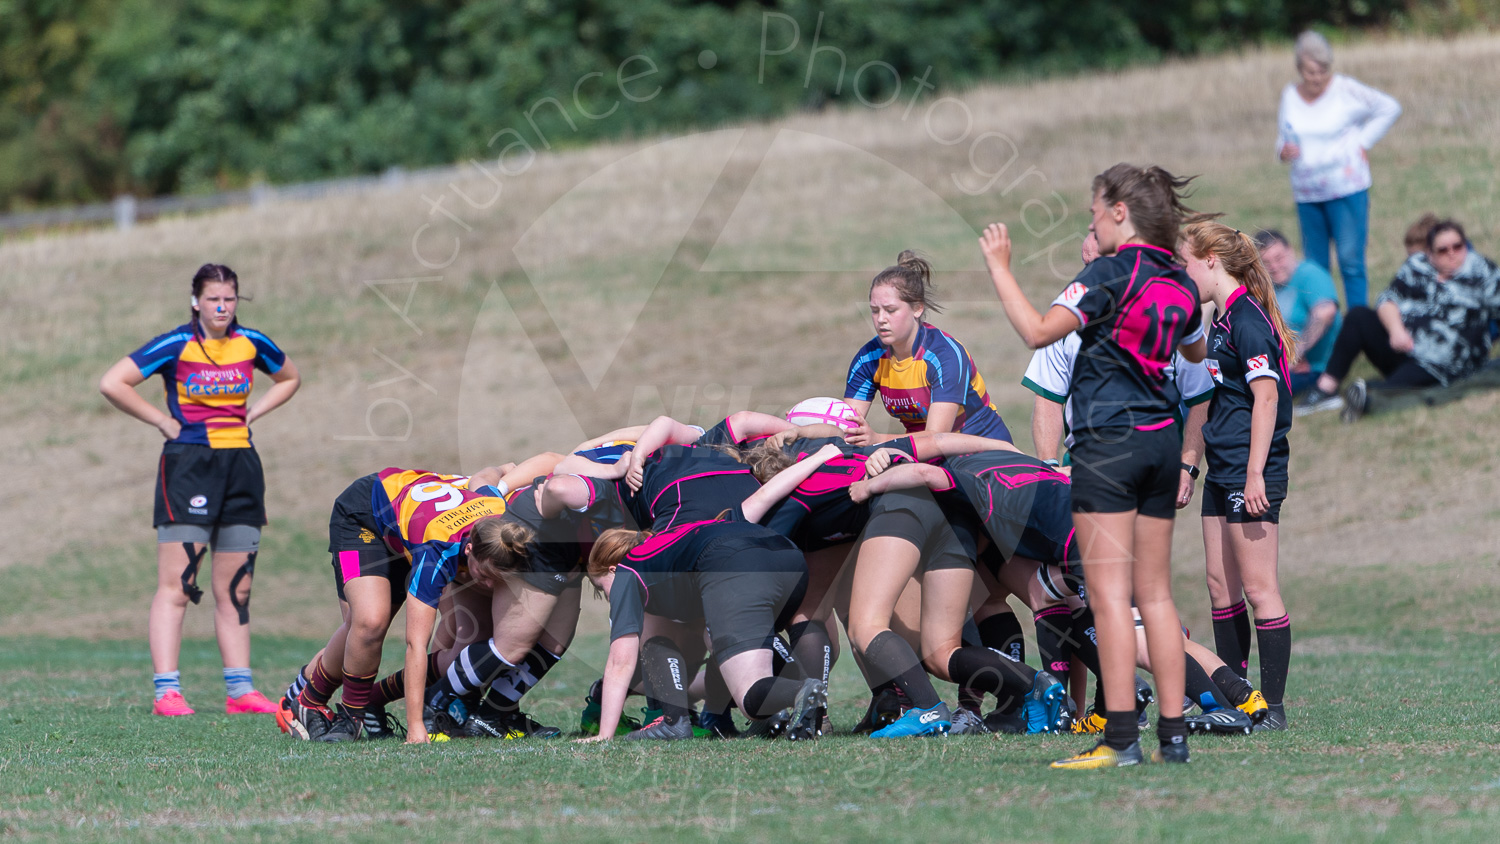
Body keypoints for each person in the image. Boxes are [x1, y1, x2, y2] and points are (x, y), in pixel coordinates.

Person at [981, 163, 1207, 768]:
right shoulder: (1180, 282)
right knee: (1154, 596)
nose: (1092, 222)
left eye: (1093, 212)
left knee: (1107, 599)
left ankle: (1122, 740)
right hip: (1161, 445)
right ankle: (1173, 740)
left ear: (1119, 212)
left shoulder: (1106, 273)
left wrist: (1000, 268)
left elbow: (1038, 332)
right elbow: (1194, 349)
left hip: (1108, 447)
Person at [99, 263, 300, 717]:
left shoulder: (253, 343)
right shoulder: (176, 344)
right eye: (213, 299)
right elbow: (112, 382)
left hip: (242, 466)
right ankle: (167, 693)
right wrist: (161, 420)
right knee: (178, 584)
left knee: (237, 589)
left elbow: (290, 377)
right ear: (196, 302)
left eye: (229, 298)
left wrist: (254, 413)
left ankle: (240, 692)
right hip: (189, 466)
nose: (222, 307)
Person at [1181, 220, 1297, 731]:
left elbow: (1266, 399)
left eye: (1185, 263)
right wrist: (1190, 464)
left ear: (1210, 260)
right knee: (1219, 587)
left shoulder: (1247, 318)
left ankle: (1273, 709)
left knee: (1258, 587)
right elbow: (1213, 400)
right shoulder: (1220, 318)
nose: (1181, 273)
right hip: (1222, 467)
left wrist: (1254, 475)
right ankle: (1239, 699)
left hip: (1251, 470)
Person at [1308, 220, 1500, 420]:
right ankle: (1325, 389)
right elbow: (1387, 300)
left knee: (1395, 387)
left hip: (1442, 363)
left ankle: (1369, 394)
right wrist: (1396, 330)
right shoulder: (1417, 266)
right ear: (1430, 253)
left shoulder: (1483, 273)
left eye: (1458, 246)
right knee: (1358, 316)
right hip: (1403, 346)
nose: (1452, 253)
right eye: (1443, 250)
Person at [1276, 30, 1402, 309]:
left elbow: (1389, 107)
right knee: (1315, 265)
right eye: (1311, 72)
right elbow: (1283, 136)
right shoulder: (1290, 95)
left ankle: (1357, 322)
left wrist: (1363, 141)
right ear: (1299, 69)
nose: (1317, 78)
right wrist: (1283, 151)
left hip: (1346, 189)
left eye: (1323, 71)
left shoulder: (1345, 89)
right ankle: (1323, 321)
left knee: (1350, 260)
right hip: (1307, 194)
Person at [843, 250, 1012, 444]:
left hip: (982, 448)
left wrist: (878, 439)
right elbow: (846, 426)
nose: (881, 319)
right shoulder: (868, 358)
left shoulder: (944, 356)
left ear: (917, 308)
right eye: (874, 311)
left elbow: (937, 437)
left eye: (890, 310)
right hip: (920, 452)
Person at [1255, 229, 1342, 399]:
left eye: (1279, 258)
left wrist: (1294, 356)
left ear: (1290, 251)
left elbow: (1325, 313)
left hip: (1314, 368)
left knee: (1256, 392)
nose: (1274, 267)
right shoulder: (1266, 287)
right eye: (1266, 262)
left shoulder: (1309, 274)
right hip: (1277, 364)